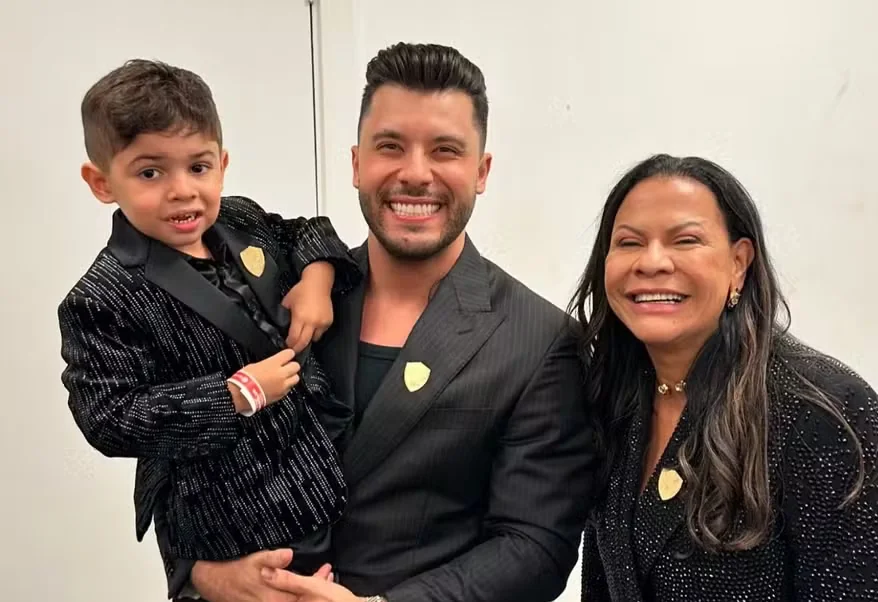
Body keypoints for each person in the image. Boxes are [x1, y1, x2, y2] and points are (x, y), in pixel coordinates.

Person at [160, 42, 600, 602]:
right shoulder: (275, 295)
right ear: (356, 163)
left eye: (445, 150)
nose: (415, 174)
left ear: (481, 171)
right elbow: (170, 453)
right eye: (390, 146)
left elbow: (534, 545)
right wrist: (203, 575)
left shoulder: (540, 340)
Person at [58, 59, 362, 574]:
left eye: (198, 167)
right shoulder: (101, 297)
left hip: (324, 465)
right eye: (150, 172)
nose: (182, 190)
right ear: (101, 182)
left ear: (221, 163)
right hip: (228, 513)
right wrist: (236, 394)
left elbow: (305, 231)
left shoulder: (239, 216)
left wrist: (317, 280)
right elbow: (108, 417)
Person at [569, 154, 878, 600]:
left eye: (686, 240)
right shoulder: (614, 398)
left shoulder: (823, 412)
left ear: (739, 263)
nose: (652, 262)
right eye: (629, 242)